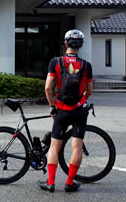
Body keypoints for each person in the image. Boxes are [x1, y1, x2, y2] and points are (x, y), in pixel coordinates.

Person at [39, 29, 94, 193]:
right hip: (79, 110)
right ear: (81, 45)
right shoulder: (86, 65)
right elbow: (90, 90)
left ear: (65, 43)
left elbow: (48, 87)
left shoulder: (55, 62)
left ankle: (50, 183)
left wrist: (52, 106)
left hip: (61, 110)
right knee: (77, 147)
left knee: (54, 147)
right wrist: (82, 100)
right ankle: (70, 182)